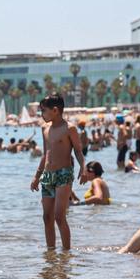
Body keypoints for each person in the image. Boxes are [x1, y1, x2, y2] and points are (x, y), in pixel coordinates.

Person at [31, 93, 86, 250]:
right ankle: (51, 253)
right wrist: (36, 176)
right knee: (46, 217)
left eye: (44, 111)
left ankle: (66, 253)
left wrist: (83, 168)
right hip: (48, 175)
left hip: (64, 174)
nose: (42, 115)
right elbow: (45, 153)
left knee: (59, 216)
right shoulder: (45, 129)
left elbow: (78, 151)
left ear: (55, 110)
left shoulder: (70, 129)